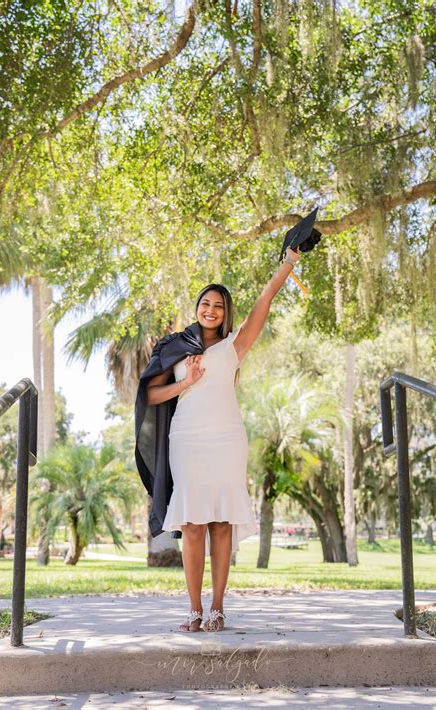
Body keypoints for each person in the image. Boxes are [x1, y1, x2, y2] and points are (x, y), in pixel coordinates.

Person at [146, 245, 300, 632]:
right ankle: (194, 609)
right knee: (194, 524)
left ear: (226, 312)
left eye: (218, 305)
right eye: (205, 303)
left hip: (227, 437)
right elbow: (150, 395)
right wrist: (186, 381)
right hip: (187, 437)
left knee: (221, 522)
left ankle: (217, 608)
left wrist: (288, 264)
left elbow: (266, 298)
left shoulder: (237, 344)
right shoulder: (176, 347)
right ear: (197, 307)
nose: (211, 309)